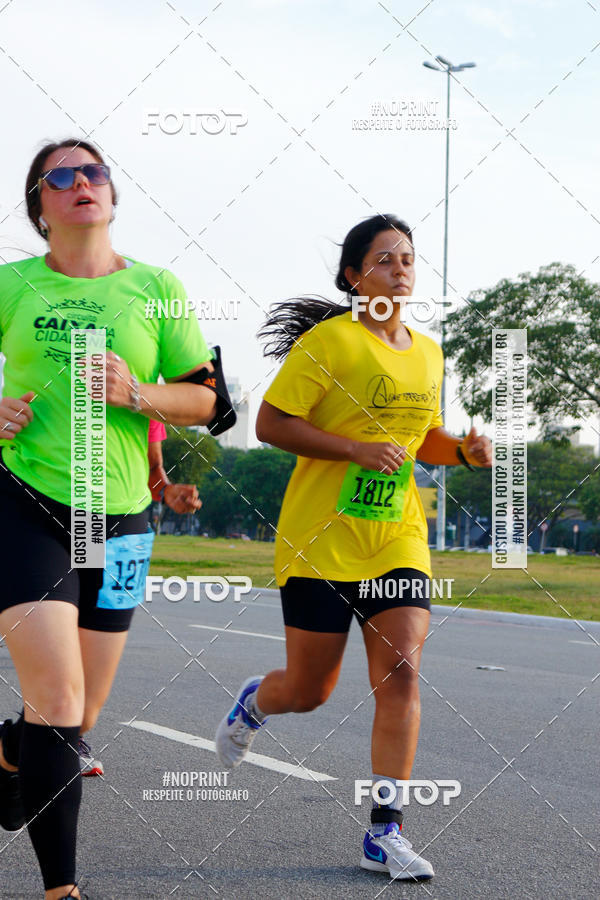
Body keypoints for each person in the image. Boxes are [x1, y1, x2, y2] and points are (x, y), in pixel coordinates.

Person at [215, 214, 492, 882]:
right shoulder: (328, 345)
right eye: (385, 258)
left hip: (396, 535)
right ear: (353, 275)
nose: (401, 268)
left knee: (401, 675)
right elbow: (271, 422)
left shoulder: (428, 352)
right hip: (320, 538)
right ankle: (258, 700)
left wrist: (461, 450)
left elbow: (422, 435)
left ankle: (384, 831)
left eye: (408, 258)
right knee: (311, 690)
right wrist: (354, 449)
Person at [0, 138, 233, 899]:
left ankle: (12, 755)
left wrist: (140, 394)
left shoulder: (158, 288)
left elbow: (211, 403)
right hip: (26, 506)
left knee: (78, 715)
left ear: (112, 192)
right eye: (58, 177)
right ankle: (61, 890)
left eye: (91, 172)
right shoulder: (12, 285)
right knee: (60, 701)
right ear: (40, 205)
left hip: (122, 518)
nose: (79, 185)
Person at [78, 419, 203, 778]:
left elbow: (152, 468)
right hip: (64, 511)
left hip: (124, 519)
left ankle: (63, 736)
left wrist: (167, 491)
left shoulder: (143, 389)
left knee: (91, 641)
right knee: (59, 629)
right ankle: (37, 741)